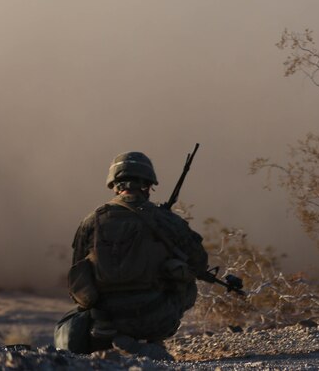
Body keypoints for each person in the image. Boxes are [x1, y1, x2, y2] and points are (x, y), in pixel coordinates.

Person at [55, 151, 208, 360]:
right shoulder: (167, 221)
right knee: (187, 281)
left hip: (106, 319)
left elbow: (77, 274)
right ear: (148, 184)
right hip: (156, 317)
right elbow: (199, 264)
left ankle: (111, 336)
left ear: (114, 184)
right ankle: (154, 341)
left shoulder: (92, 221)